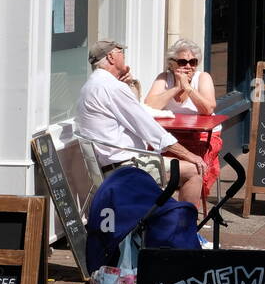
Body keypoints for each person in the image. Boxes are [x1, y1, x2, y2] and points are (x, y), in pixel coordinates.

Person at [75, 40, 205, 205]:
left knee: (175, 165)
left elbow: (133, 113)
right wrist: (190, 155)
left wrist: (128, 85)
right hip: (126, 167)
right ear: (111, 57)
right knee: (194, 170)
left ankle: (166, 220)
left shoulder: (92, 84)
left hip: (107, 165)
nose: (125, 57)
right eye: (121, 53)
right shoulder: (112, 87)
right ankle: (184, 228)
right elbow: (148, 128)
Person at [145, 39, 222, 204]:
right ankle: (160, 207)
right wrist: (177, 88)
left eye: (193, 62)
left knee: (197, 163)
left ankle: (186, 213)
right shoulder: (164, 78)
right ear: (172, 64)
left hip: (201, 135)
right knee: (153, 154)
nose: (188, 66)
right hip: (171, 134)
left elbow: (208, 109)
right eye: (182, 62)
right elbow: (150, 105)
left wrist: (188, 88)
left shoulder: (202, 78)